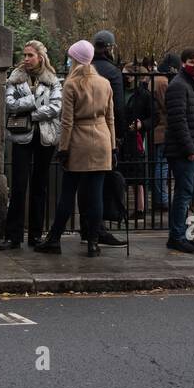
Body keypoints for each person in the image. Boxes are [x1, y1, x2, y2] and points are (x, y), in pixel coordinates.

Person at [36, 39, 116, 257]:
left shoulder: (72, 84)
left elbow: (67, 121)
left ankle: (54, 239)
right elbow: (110, 118)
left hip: (79, 142)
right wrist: (113, 145)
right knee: (96, 195)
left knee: (68, 194)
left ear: (76, 59)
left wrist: (63, 149)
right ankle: (93, 242)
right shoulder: (104, 83)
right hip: (102, 140)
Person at [0, 40, 61, 249]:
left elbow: (56, 107)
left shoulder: (52, 79)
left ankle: (35, 235)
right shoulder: (15, 78)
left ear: (40, 57)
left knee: (40, 186)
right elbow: (10, 104)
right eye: (24, 55)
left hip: (45, 137)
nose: (26, 59)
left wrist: (30, 113)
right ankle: (13, 236)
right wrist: (34, 101)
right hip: (21, 136)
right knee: (18, 186)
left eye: (30, 55)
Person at [164, 48, 194, 253]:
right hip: (182, 151)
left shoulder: (189, 85)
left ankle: (182, 234)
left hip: (189, 149)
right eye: (193, 62)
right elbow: (178, 120)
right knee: (183, 194)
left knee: (186, 193)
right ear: (183, 63)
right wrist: (191, 148)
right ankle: (177, 236)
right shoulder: (179, 86)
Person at [88, 30, 127, 245]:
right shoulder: (112, 72)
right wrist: (119, 136)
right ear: (110, 48)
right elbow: (118, 108)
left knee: (85, 185)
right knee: (101, 183)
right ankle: (99, 230)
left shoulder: (83, 70)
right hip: (103, 132)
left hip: (80, 137)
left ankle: (88, 228)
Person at [122, 62, 156, 217]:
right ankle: (119, 208)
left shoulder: (144, 94)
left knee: (138, 174)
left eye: (126, 74)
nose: (124, 77)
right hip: (121, 136)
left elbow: (155, 117)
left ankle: (140, 208)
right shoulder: (119, 90)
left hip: (136, 138)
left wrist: (143, 124)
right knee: (120, 172)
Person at [150, 53, 177, 214]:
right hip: (162, 128)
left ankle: (159, 199)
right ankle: (162, 200)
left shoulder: (154, 79)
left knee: (159, 165)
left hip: (156, 128)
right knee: (162, 165)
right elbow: (167, 106)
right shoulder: (163, 82)